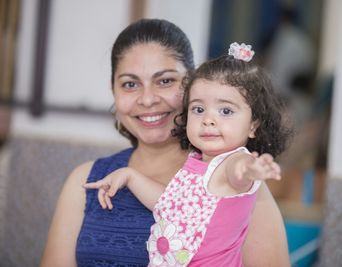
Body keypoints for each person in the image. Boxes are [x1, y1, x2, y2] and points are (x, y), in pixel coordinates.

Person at [40, 19, 290, 267]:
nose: (147, 99)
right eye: (130, 84)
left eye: (165, 81)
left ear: (191, 86)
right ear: (113, 92)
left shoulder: (235, 185)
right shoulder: (86, 180)